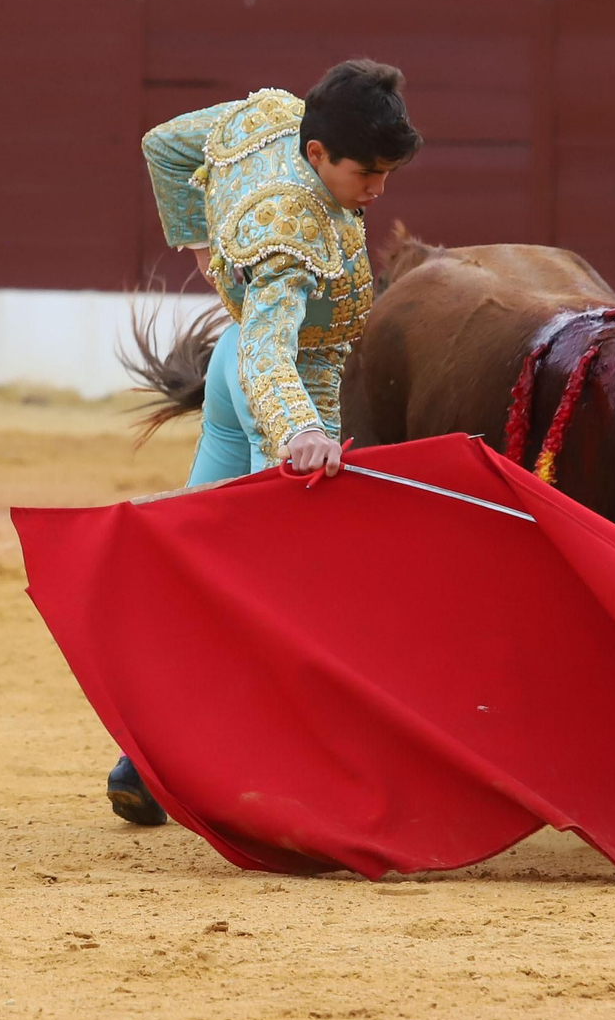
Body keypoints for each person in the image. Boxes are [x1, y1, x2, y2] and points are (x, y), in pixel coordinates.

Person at [105, 60, 422, 826]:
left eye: (386, 172)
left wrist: (207, 251)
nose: (378, 190)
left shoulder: (273, 117)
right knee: (267, 598)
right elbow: (271, 355)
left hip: (227, 374)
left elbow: (165, 146)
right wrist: (300, 431)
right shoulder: (288, 231)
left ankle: (141, 763)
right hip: (276, 393)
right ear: (319, 155)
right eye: (366, 172)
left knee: (199, 568)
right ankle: (255, 782)